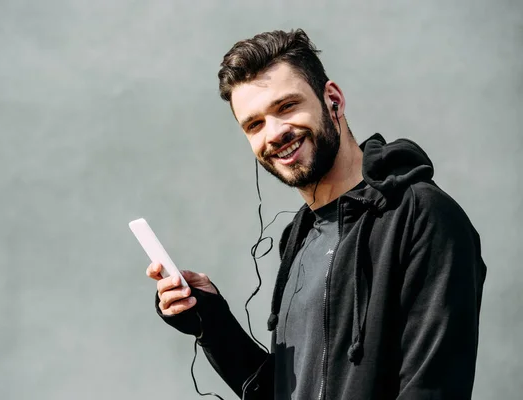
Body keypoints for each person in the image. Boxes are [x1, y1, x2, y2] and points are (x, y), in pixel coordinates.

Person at [146, 29, 487, 400]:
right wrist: (211, 323)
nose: (274, 133)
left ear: (333, 100)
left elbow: (432, 389)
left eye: (286, 106)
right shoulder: (299, 237)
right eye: (254, 125)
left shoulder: (420, 216)